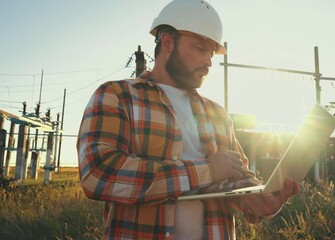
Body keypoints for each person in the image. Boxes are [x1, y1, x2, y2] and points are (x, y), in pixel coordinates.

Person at [77, 0, 300, 239]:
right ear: (167, 42)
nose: (209, 62)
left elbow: (237, 179)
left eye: (212, 53)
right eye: (200, 49)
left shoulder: (217, 114)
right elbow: (98, 173)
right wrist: (207, 171)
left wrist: (263, 200)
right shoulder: (117, 96)